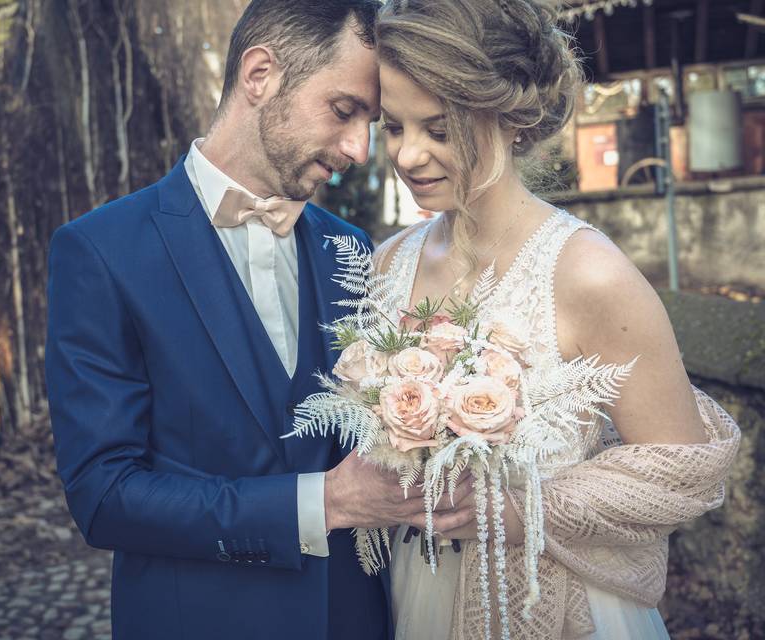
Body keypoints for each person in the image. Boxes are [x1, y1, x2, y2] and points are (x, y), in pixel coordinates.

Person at [44, 1, 474, 638]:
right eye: (343, 110)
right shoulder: (102, 252)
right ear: (260, 74)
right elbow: (104, 497)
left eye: (369, 122)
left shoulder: (351, 250)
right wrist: (321, 504)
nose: (359, 149)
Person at [369, 1, 741, 638]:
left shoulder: (587, 274)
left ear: (509, 117)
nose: (407, 155)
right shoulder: (388, 263)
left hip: (549, 603)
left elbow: (685, 468)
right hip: (411, 591)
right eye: (393, 126)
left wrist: (521, 510)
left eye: (437, 128)